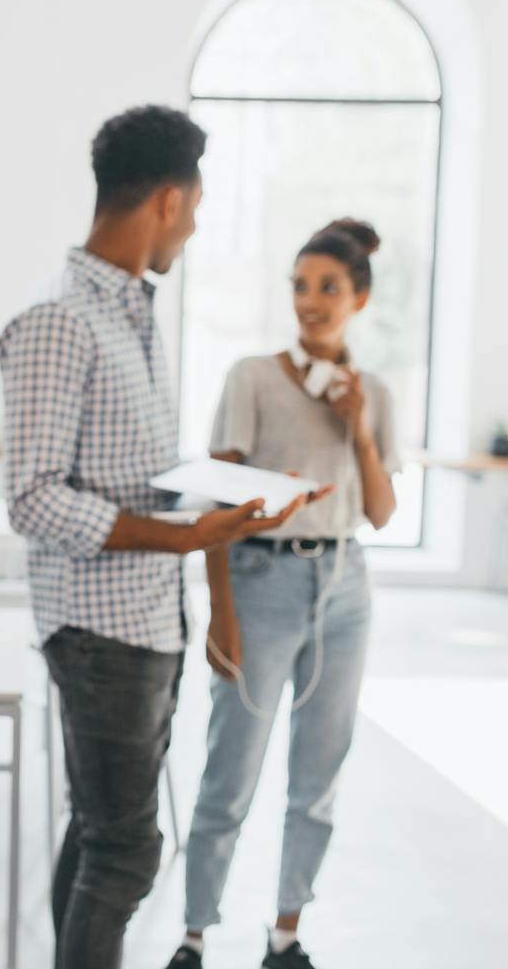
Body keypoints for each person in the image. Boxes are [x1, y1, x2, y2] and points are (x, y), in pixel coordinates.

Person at [0, 105, 321, 969]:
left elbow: (135, 467)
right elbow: (31, 499)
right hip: (98, 632)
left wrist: (235, 495)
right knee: (128, 851)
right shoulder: (59, 320)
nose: (196, 226)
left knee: (100, 834)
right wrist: (183, 539)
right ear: (169, 201)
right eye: (198, 207)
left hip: (144, 622)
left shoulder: (132, 314)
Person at [166, 220, 399, 969]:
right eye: (300, 285)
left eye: (328, 287)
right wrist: (220, 612)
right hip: (260, 580)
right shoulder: (252, 378)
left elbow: (381, 512)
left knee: (318, 774)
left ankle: (286, 934)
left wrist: (359, 429)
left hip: (345, 586)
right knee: (231, 769)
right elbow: (215, 500)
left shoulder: (373, 393)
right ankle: (194, 937)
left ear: (360, 299)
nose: (310, 301)